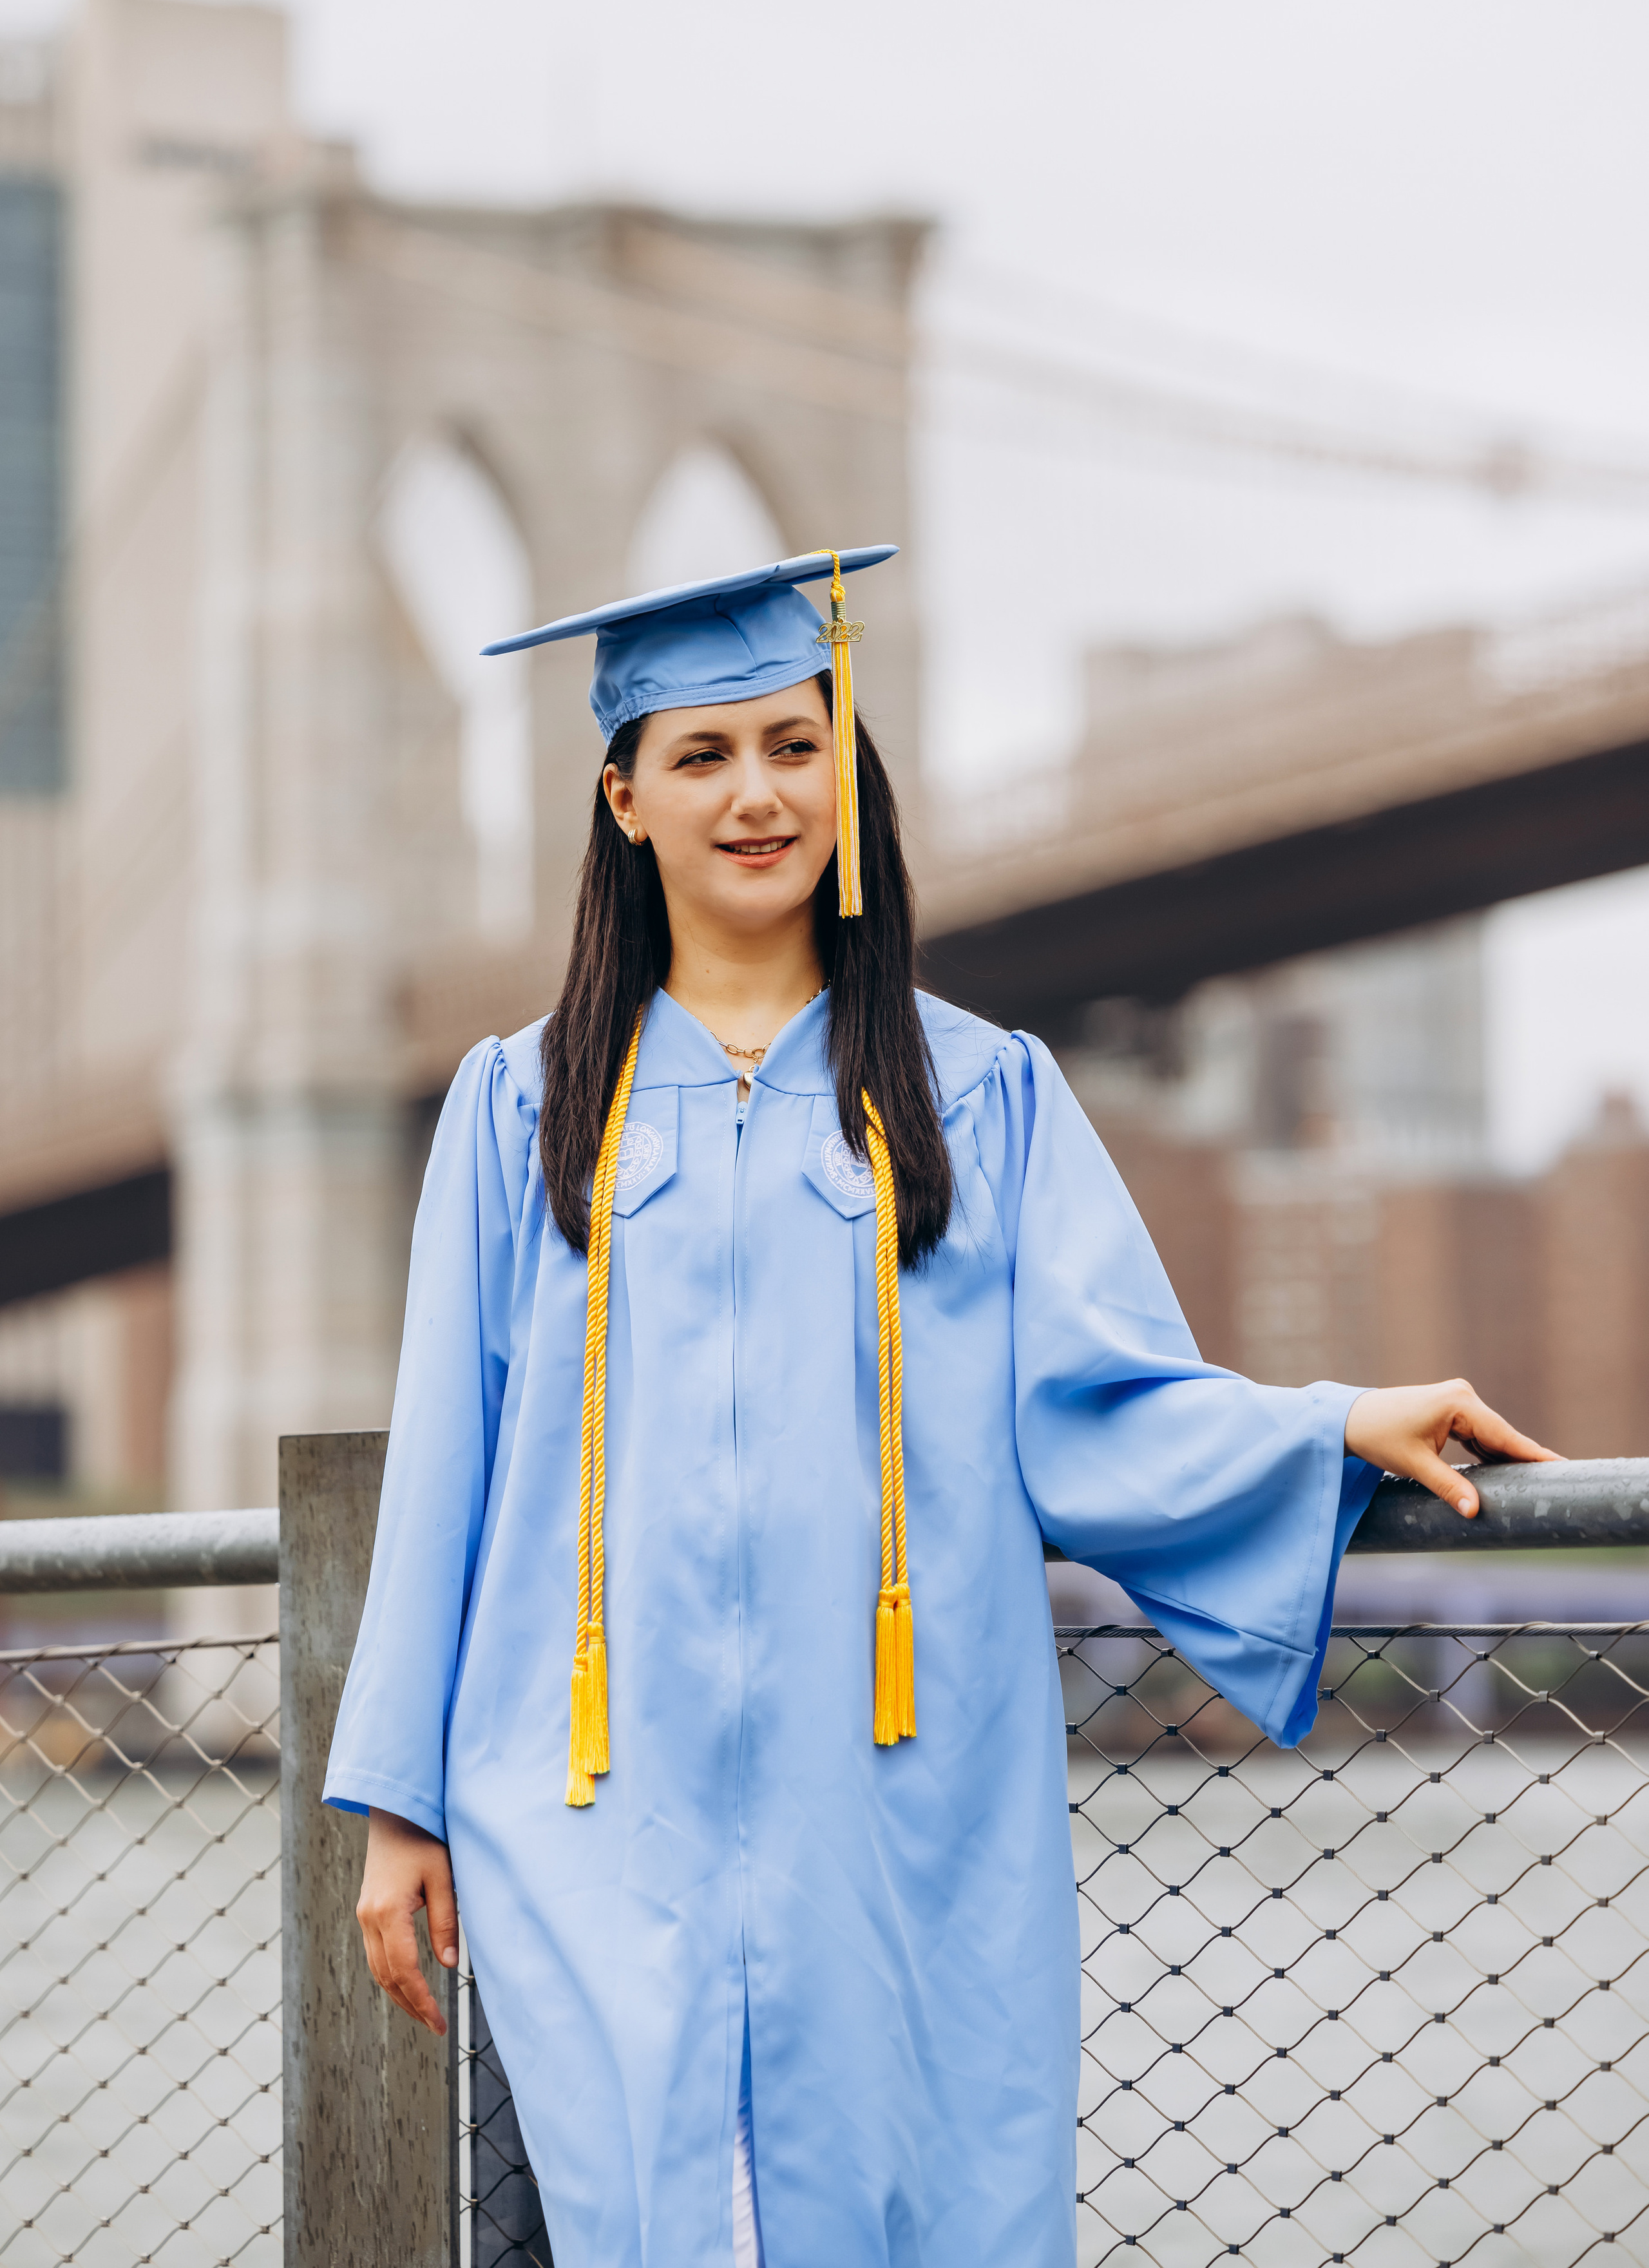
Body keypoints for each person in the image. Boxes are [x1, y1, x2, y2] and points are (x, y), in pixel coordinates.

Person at [324, 545, 1556, 2268]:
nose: (757, 794)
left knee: (913, 2196)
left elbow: (1101, 1408)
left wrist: (1323, 1427)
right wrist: (402, 1811)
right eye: (702, 756)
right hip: (592, 1801)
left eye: (794, 743)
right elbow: (447, 1468)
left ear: (848, 768)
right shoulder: (521, 1110)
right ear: (623, 798)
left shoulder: (982, 1094)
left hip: (895, 1800)